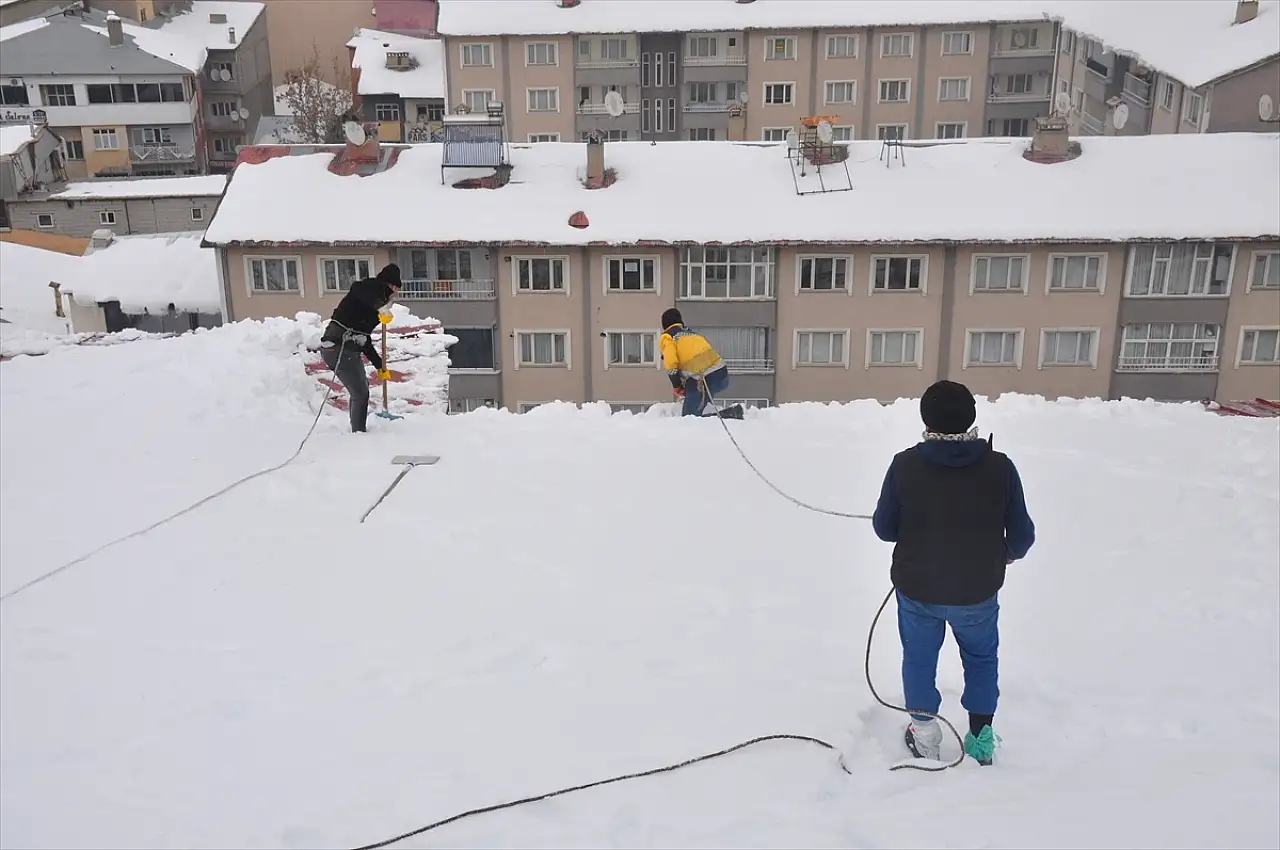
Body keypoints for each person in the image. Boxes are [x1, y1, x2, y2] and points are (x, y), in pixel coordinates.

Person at [870, 380, 1035, 766]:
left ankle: (925, 735)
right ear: (971, 418)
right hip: (977, 591)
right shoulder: (1001, 468)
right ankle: (980, 740)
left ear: (926, 419)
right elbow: (1023, 536)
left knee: (919, 660)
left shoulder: (904, 465)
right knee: (981, 660)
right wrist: (1006, 553)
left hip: (917, 591)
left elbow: (884, 528)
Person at [319, 263, 401, 433]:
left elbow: (364, 339)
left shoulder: (371, 307)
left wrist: (379, 366)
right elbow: (358, 289)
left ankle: (357, 430)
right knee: (360, 393)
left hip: (346, 349)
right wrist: (381, 306)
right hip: (338, 347)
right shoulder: (369, 290)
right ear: (391, 286)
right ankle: (358, 434)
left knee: (361, 390)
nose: (395, 294)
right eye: (395, 289)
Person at [658, 308, 739, 418]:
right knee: (700, 409)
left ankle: (731, 415)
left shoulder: (667, 337)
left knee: (689, 418)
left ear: (664, 325)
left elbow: (670, 362)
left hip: (701, 379)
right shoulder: (692, 334)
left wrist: (676, 385)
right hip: (721, 375)